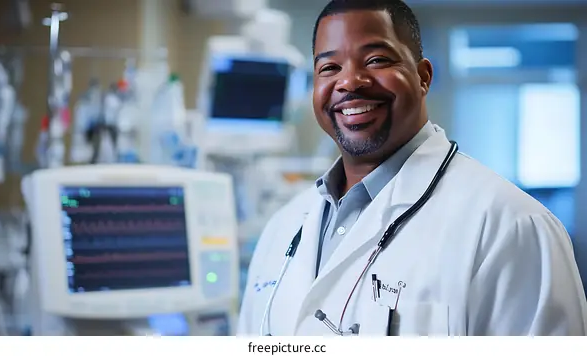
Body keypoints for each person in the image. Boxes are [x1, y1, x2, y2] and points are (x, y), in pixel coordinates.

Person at [237, 0, 587, 336]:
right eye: (329, 67)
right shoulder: (282, 229)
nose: (350, 82)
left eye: (375, 59)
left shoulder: (512, 226)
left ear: (423, 77)